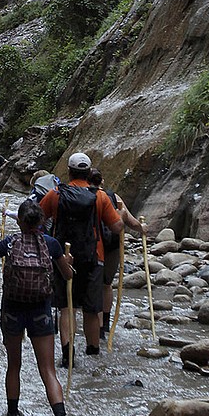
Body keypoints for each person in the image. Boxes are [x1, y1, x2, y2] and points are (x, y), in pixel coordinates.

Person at [0, 200, 73, 416]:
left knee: (14, 365)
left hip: (12, 310)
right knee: (47, 368)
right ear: (42, 222)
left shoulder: (8, 243)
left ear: (18, 221)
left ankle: (12, 412)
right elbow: (68, 275)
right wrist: (69, 263)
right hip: (41, 311)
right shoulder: (52, 244)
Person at [38, 151, 123, 367]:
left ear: (69, 171)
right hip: (94, 257)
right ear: (89, 172)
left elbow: (37, 220)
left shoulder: (55, 194)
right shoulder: (100, 197)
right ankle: (93, 351)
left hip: (63, 258)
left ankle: (68, 355)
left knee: (67, 307)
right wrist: (121, 216)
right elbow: (115, 227)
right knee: (91, 309)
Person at [89, 167, 147, 339]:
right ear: (102, 181)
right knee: (106, 285)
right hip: (112, 245)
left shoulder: (83, 196)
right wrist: (141, 229)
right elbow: (130, 220)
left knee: (93, 286)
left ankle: (97, 327)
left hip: (92, 246)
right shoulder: (114, 198)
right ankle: (105, 324)